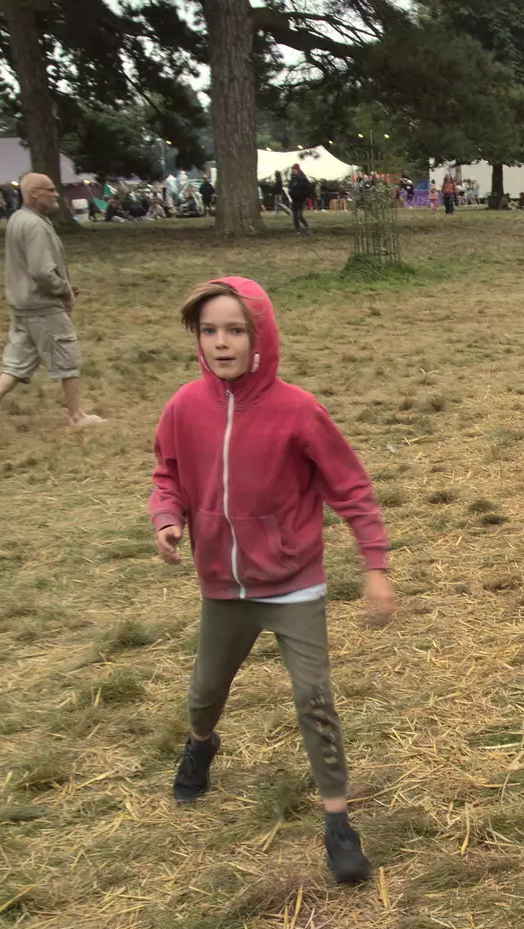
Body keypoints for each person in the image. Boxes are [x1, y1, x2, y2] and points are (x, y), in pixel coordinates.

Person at [151, 277, 396, 885]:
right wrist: (167, 519)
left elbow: (352, 488)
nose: (221, 342)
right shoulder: (184, 406)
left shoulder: (299, 410)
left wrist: (375, 564)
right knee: (205, 692)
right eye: (209, 330)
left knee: (315, 699)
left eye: (235, 329)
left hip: (293, 584)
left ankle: (338, 822)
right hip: (222, 587)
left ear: (262, 337)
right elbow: (169, 474)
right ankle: (202, 743)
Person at [0, 173, 103, 431]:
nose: (55, 194)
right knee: (67, 356)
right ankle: (77, 416)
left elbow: (32, 267)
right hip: (42, 306)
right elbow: (41, 271)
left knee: (19, 360)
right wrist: (64, 290)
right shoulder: (35, 225)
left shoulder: (18, 219)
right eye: (49, 190)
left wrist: (61, 282)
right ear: (33, 194)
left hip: (23, 305)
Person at [288, 164, 313, 235]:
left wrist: (303, 194)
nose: (293, 171)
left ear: (298, 170)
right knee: (295, 216)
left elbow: (309, 188)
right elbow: (290, 187)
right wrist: (290, 192)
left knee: (299, 215)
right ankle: (297, 231)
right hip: (294, 199)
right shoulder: (292, 178)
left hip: (301, 200)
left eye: (294, 169)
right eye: (292, 169)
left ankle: (307, 227)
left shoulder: (303, 178)